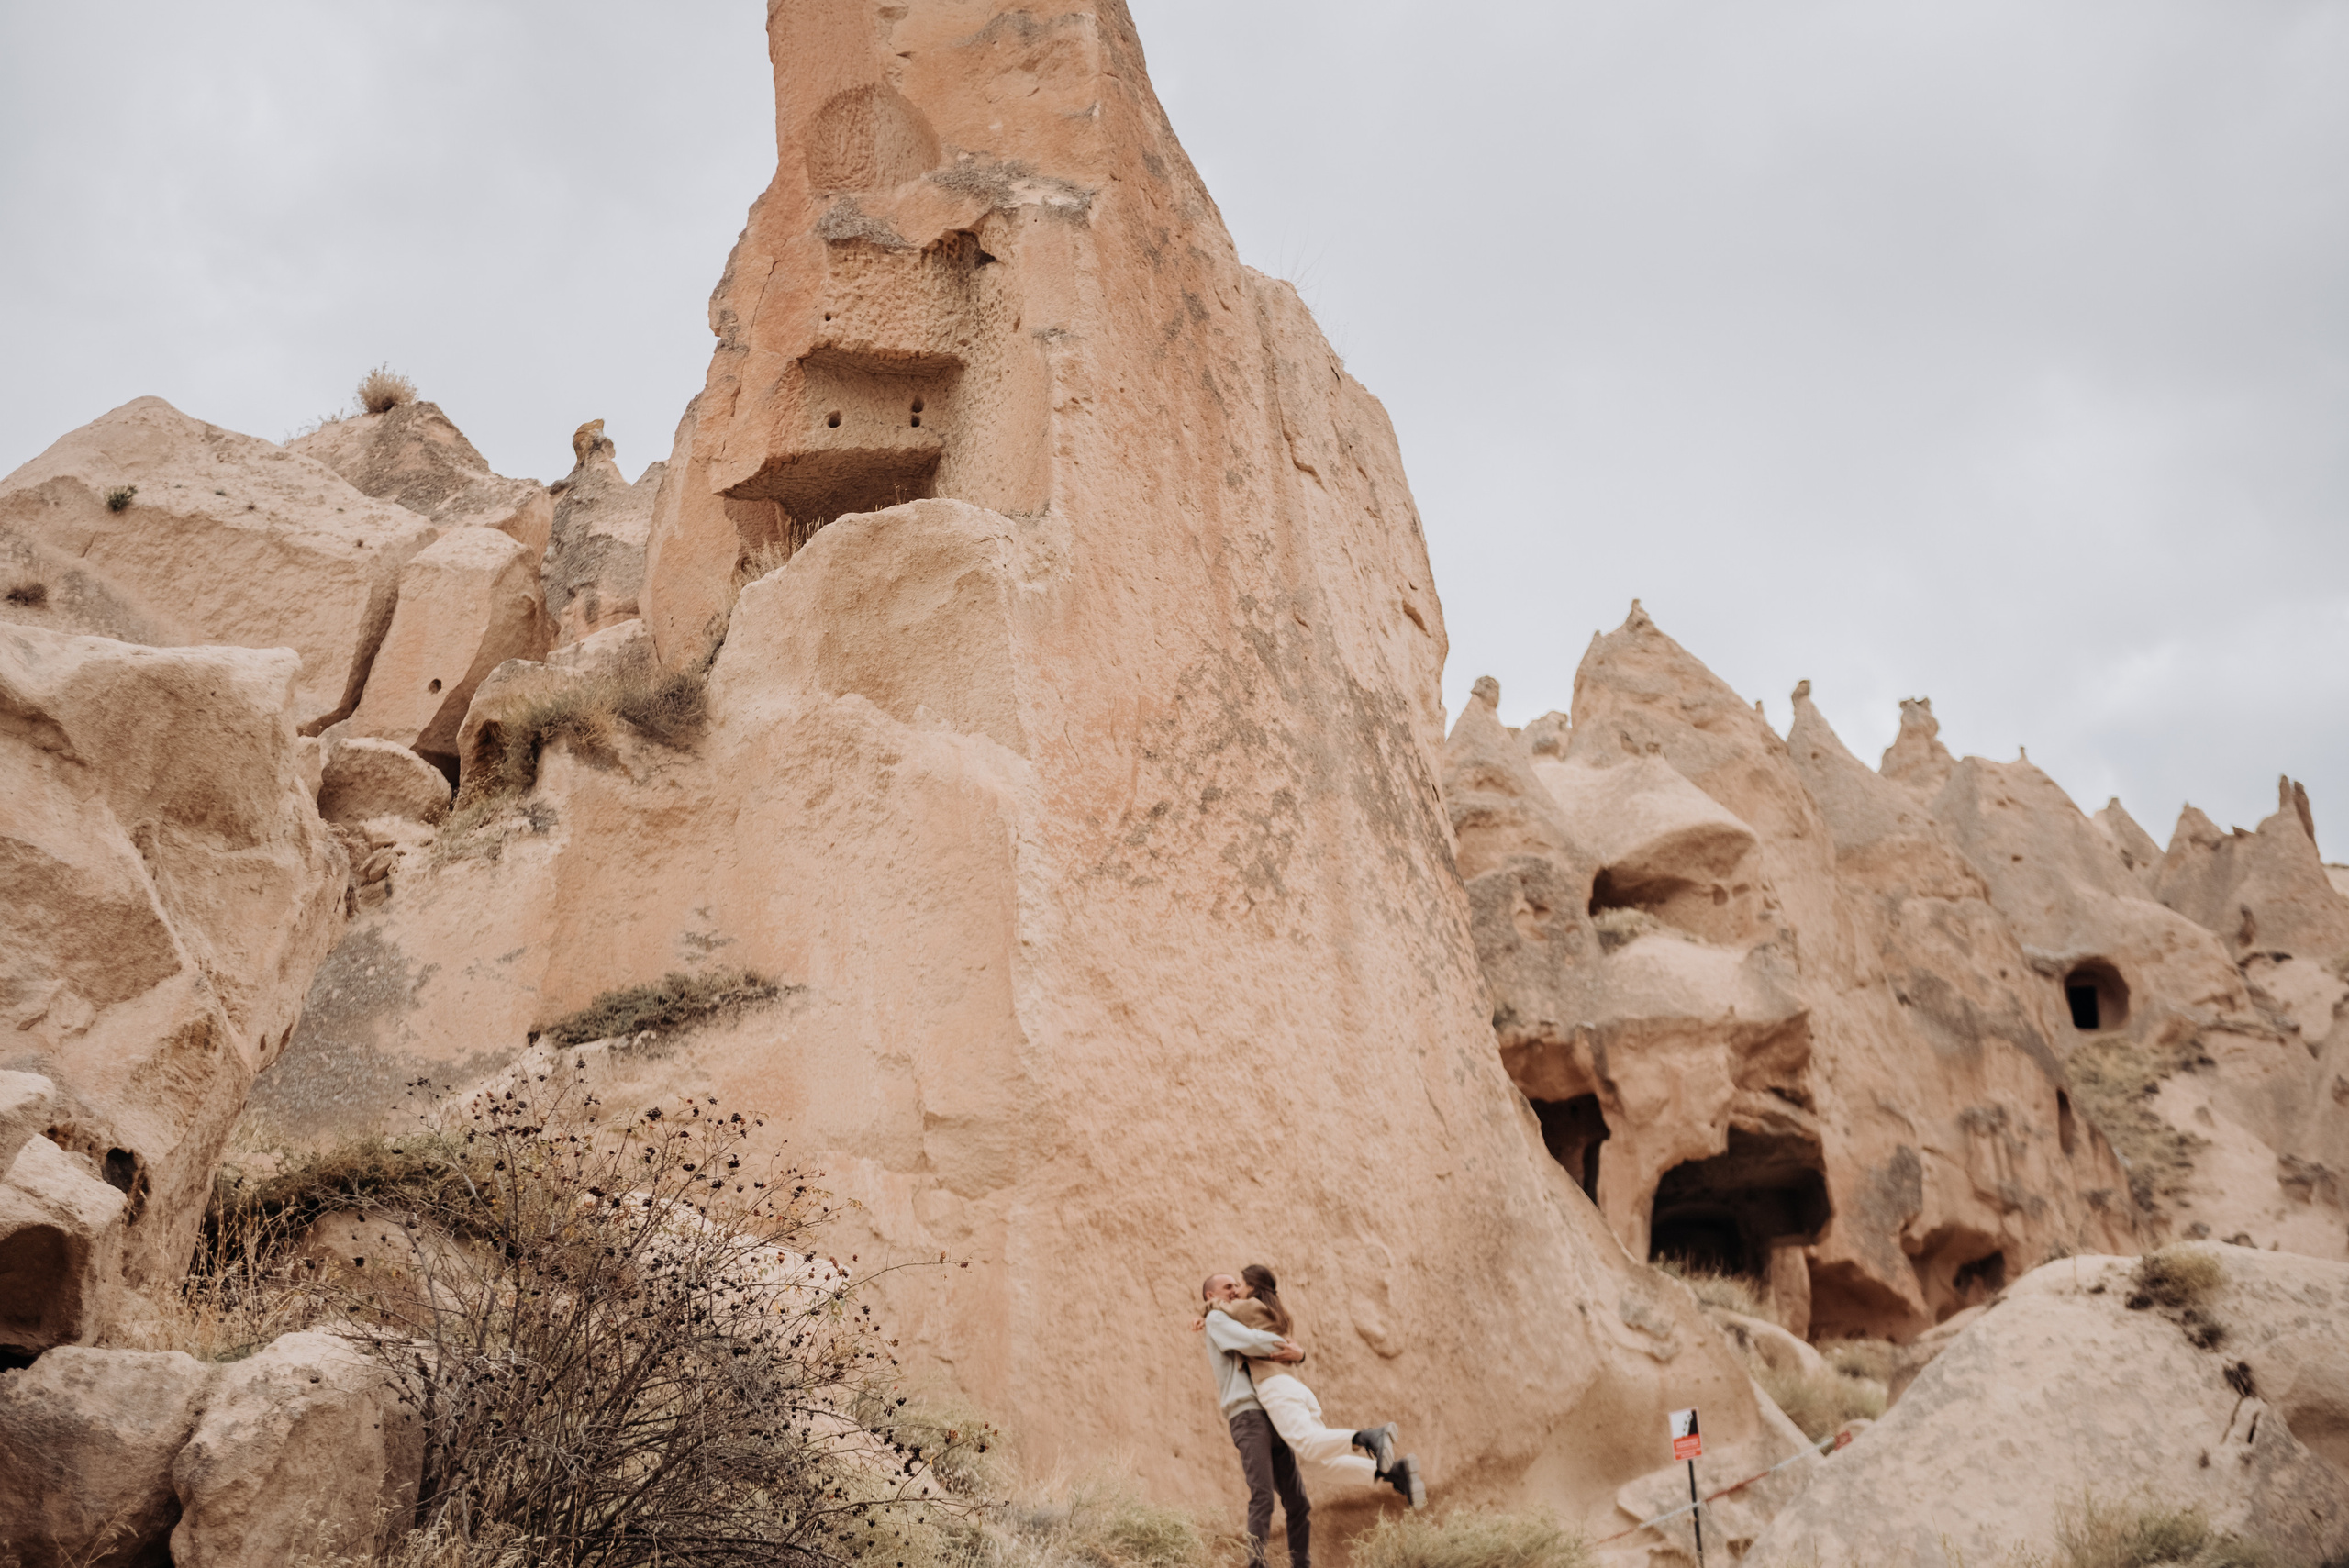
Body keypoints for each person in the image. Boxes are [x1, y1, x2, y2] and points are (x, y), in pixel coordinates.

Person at [1213, 1265, 1423, 1508]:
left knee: (1308, 1443)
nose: (1236, 1291)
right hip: (1295, 1389)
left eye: (1239, 1284)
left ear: (1252, 1286)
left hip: (1276, 1389)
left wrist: (1206, 1310)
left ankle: (1368, 1437)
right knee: (1317, 1464)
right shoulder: (1277, 1311)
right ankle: (1395, 1472)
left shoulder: (1250, 1306)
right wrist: (1301, 1355)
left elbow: (1220, 1308)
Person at [1198, 1271, 1313, 1568]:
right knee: (1262, 1496)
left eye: (1237, 1284)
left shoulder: (1229, 1315)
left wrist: (1300, 1355)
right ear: (1211, 1296)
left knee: (1298, 1502)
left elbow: (1262, 1329)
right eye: (1228, 1287)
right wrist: (1287, 1347)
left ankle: (1302, 1564)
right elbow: (1250, 1341)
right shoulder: (1217, 1320)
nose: (1235, 1290)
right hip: (1248, 1415)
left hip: (1271, 1411)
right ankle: (1256, 1565)